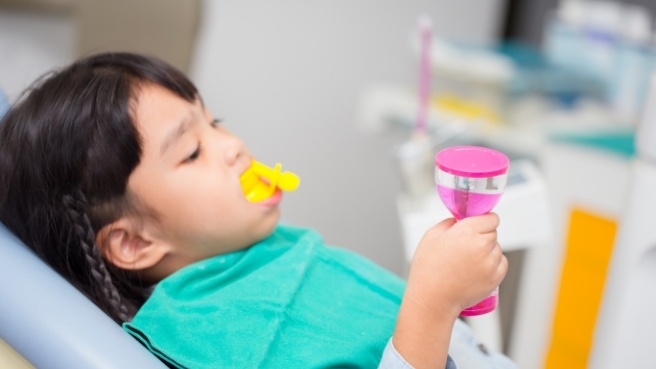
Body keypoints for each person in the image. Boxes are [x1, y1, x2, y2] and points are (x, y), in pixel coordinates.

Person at [0, 52, 515, 369]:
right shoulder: (216, 338)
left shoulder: (254, 257)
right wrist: (432, 304)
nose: (235, 146)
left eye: (215, 122)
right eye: (192, 152)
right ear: (134, 242)